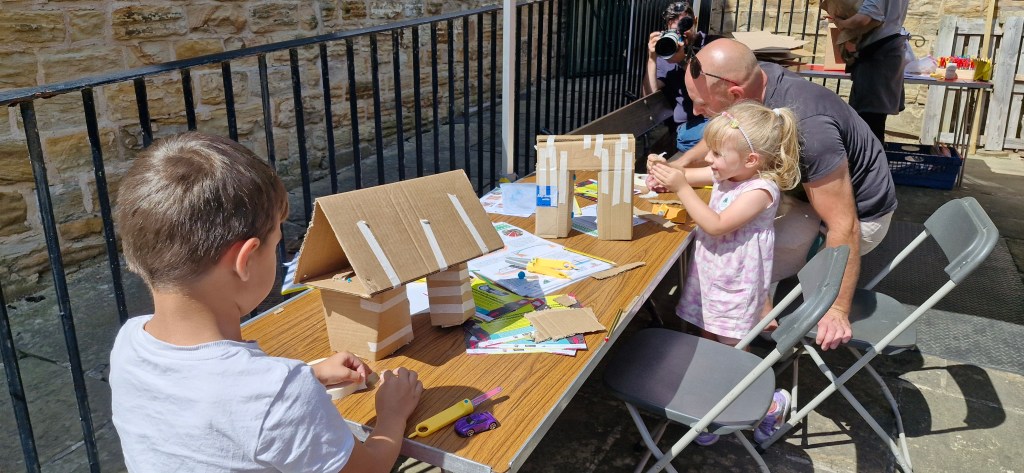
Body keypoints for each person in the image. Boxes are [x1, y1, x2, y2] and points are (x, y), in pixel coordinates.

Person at [109, 132, 423, 472]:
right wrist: (392, 415)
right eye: (276, 243)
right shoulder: (277, 393)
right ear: (245, 261)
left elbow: (206, 403)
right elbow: (369, 469)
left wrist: (309, 375)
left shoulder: (128, 344)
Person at [648, 39, 898, 352]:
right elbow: (728, 130)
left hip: (858, 217)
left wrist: (836, 308)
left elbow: (844, 224)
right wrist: (679, 165)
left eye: (703, 106)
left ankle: (743, 338)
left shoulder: (810, 132)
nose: (697, 112)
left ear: (736, 94)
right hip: (803, 195)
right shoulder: (755, 79)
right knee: (730, 249)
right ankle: (746, 312)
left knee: (735, 260)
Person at [649, 101, 800, 446]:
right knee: (707, 342)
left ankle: (771, 405)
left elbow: (716, 225)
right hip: (713, 278)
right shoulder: (728, 173)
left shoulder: (760, 190)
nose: (710, 160)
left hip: (736, 284)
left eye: (717, 154)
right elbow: (686, 175)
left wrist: (681, 187)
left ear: (751, 160)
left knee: (733, 350)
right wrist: (664, 172)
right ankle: (712, 406)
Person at [641, 1, 718, 156]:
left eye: (685, 28)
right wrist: (652, 59)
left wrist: (684, 61)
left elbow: (713, 84)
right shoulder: (666, 52)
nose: (681, 35)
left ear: (695, 21)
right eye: (675, 31)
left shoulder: (713, 45)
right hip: (684, 128)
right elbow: (649, 97)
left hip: (713, 120)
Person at [830, 0, 910, 144]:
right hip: (887, 53)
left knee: (868, 126)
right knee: (873, 124)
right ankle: (874, 163)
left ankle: (872, 165)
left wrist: (842, 24)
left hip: (878, 57)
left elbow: (865, 18)